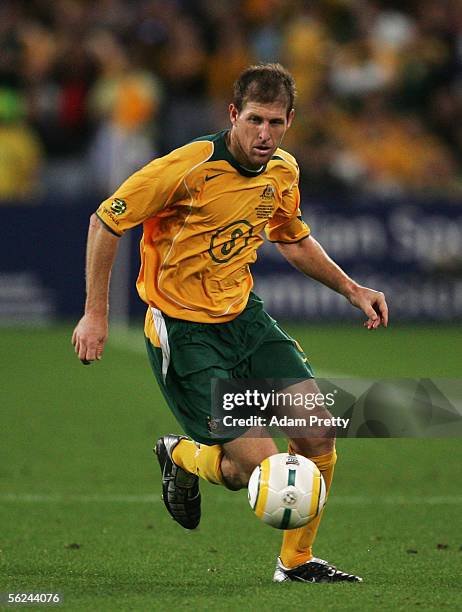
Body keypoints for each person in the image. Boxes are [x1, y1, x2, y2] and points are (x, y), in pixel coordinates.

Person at [72, 63, 388, 583]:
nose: (265, 135)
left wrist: (352, 289)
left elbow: (291, 237)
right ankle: (181, 454)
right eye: (255, 121)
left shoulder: (284, 170)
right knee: (252, 471)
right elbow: (106, 220)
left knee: (318, 434)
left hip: (245, 320)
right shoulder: (187, 166)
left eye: (277, 124)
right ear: (234, 115)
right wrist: (95, 314)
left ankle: (297, 562)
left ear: (290, 120)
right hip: (187, 333)